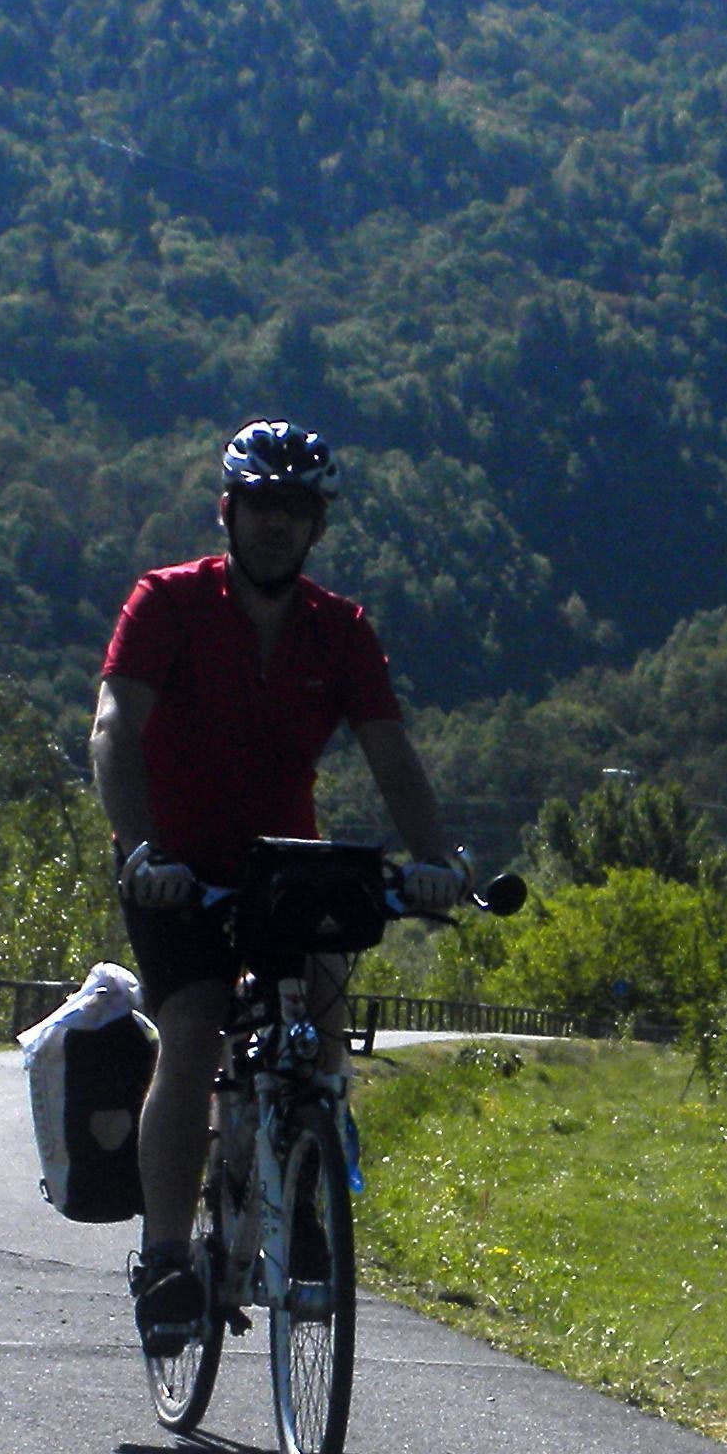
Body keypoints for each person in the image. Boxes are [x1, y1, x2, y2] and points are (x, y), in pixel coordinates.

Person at [91, 418, 464, 1348]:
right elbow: (112, 728)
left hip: (283, 870)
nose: (275, 525)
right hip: (174, 869)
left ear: (316, 528)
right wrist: (141, 852)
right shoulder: (166, 603)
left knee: (322, 1033)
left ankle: (303, 1199)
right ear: (229, 510)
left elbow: (392, 754)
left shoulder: (340, 632)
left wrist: (435, 863)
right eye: (261, 505)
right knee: (191, 1028)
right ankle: (170, 1257)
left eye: (295, 510)